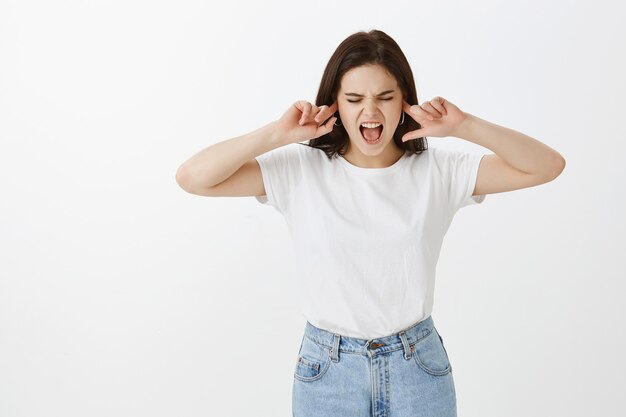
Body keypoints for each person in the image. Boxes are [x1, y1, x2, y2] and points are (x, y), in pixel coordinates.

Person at [175, 29, 565, 417]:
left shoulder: (438, 171)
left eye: (385, 97)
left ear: (404, 102)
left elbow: (547, 166)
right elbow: (193, 177)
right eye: (354, 99)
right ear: (335, 105)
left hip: (418, 369)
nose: (371, 112)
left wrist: (465, 126)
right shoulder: (300, 170)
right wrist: (277, 134)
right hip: (328, 372)